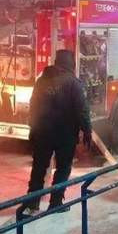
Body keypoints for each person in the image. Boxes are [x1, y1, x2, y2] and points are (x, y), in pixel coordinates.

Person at [24, 49, 93, 213]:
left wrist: (33, 127)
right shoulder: (73, 83)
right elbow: (82, 110)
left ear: (56, 62)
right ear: (71, 64)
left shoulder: (42, 81)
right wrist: (87, 130)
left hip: (42, 132)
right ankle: (55, 203)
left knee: (39, 168)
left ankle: (32, 203)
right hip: (65, 134)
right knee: (63, 168)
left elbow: (33, 105)